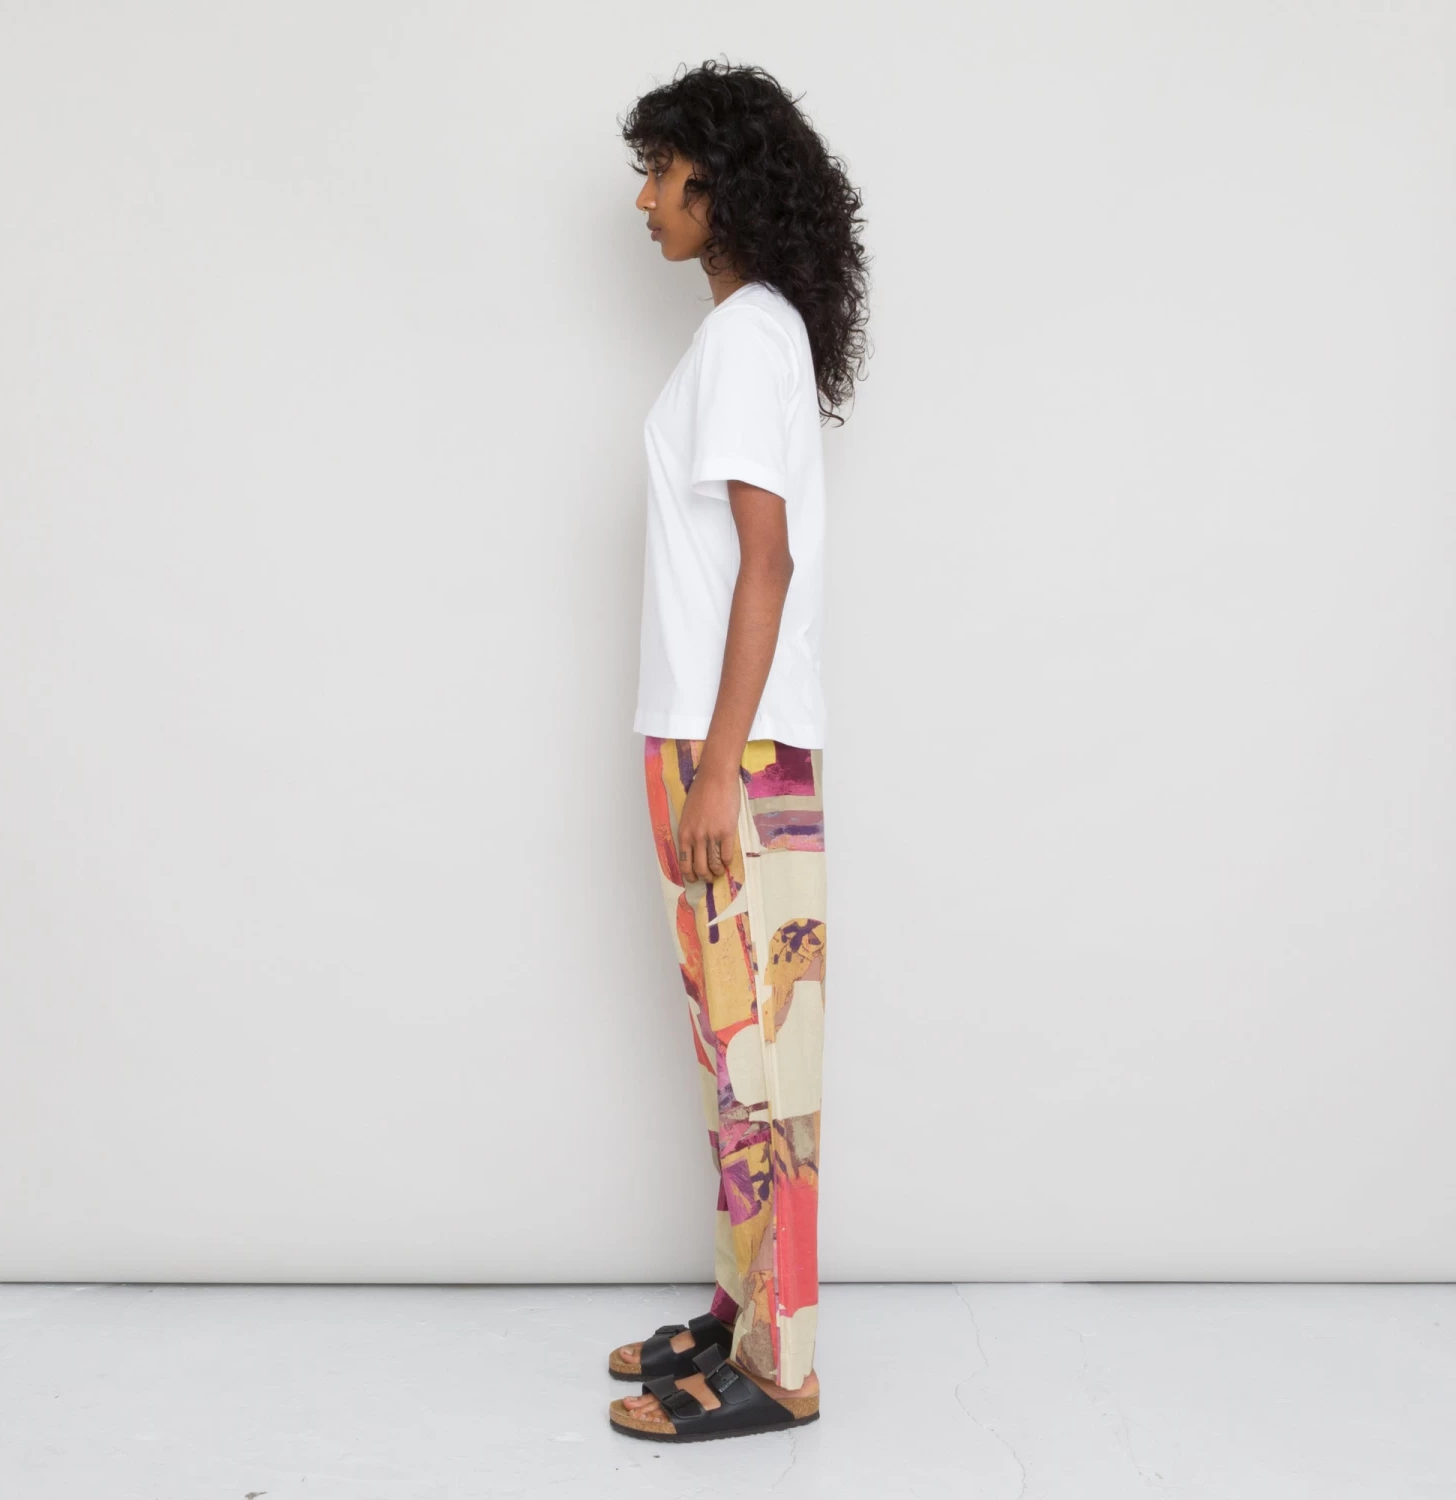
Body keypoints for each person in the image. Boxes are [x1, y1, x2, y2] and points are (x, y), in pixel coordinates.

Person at [606, 59, 871, 1443]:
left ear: (725, 185)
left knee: (761, 1057)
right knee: (734, 1050)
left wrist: (718, 767)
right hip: (706, 736)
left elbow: (765, 563)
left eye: (663, 173)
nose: (646, 199)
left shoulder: (750, 338)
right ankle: (738, 1313)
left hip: (736, 753)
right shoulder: (743, 336)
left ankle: (781, 1366)